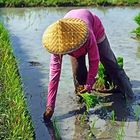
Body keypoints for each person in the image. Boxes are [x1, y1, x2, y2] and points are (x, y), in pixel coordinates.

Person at [42, 9, 134, 120]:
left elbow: (94, 60)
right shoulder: (58, 43)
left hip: (94, 28)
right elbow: (54, 75)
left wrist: (90, 83)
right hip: (70, 33)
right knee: (79, 75)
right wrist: (50, 106)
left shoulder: (87, 34)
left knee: (111, 64)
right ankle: (83, 107)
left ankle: (130, 97)